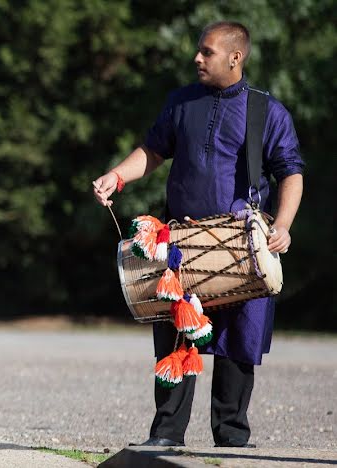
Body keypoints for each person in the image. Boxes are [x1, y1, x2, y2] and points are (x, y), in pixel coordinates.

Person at [92, 21, 304, 448]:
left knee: (237, 343)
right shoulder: (181, 101)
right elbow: (152, 151)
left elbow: (291, 173)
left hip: (242, 246)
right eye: (199, 50)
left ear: (235, 57)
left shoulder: (267, 111)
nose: (197, 58)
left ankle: (231, 439)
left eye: (207, 52)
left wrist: (282, 226)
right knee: (174, 333)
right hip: (182, 244)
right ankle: (167, 435)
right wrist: (118, 176)